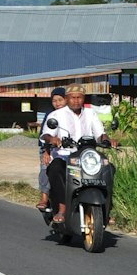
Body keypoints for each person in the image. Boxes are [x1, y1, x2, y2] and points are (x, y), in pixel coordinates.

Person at [44, 84, 110, 229]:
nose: (76, 100)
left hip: (86, 157)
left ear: (83, 98)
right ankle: (62, 208)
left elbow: (100, 133)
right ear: (66, 98)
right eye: (72, 97)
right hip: (64, 156)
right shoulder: (56, 115)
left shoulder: (91, 113)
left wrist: (107, 139)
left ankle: (108, 208)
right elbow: (46, 134)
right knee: (55, 169)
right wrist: (53, 139)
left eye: (79, 97)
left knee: (109, 168)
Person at [36, 86, 67, 217]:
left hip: (70, 149)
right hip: (50, 148)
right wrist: (47, 152)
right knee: (45, 168)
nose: (57, 103)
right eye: (54, 101)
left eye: (60, 100)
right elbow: (45, 135)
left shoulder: (73, 114)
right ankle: (44, 198)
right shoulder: (51, 115)